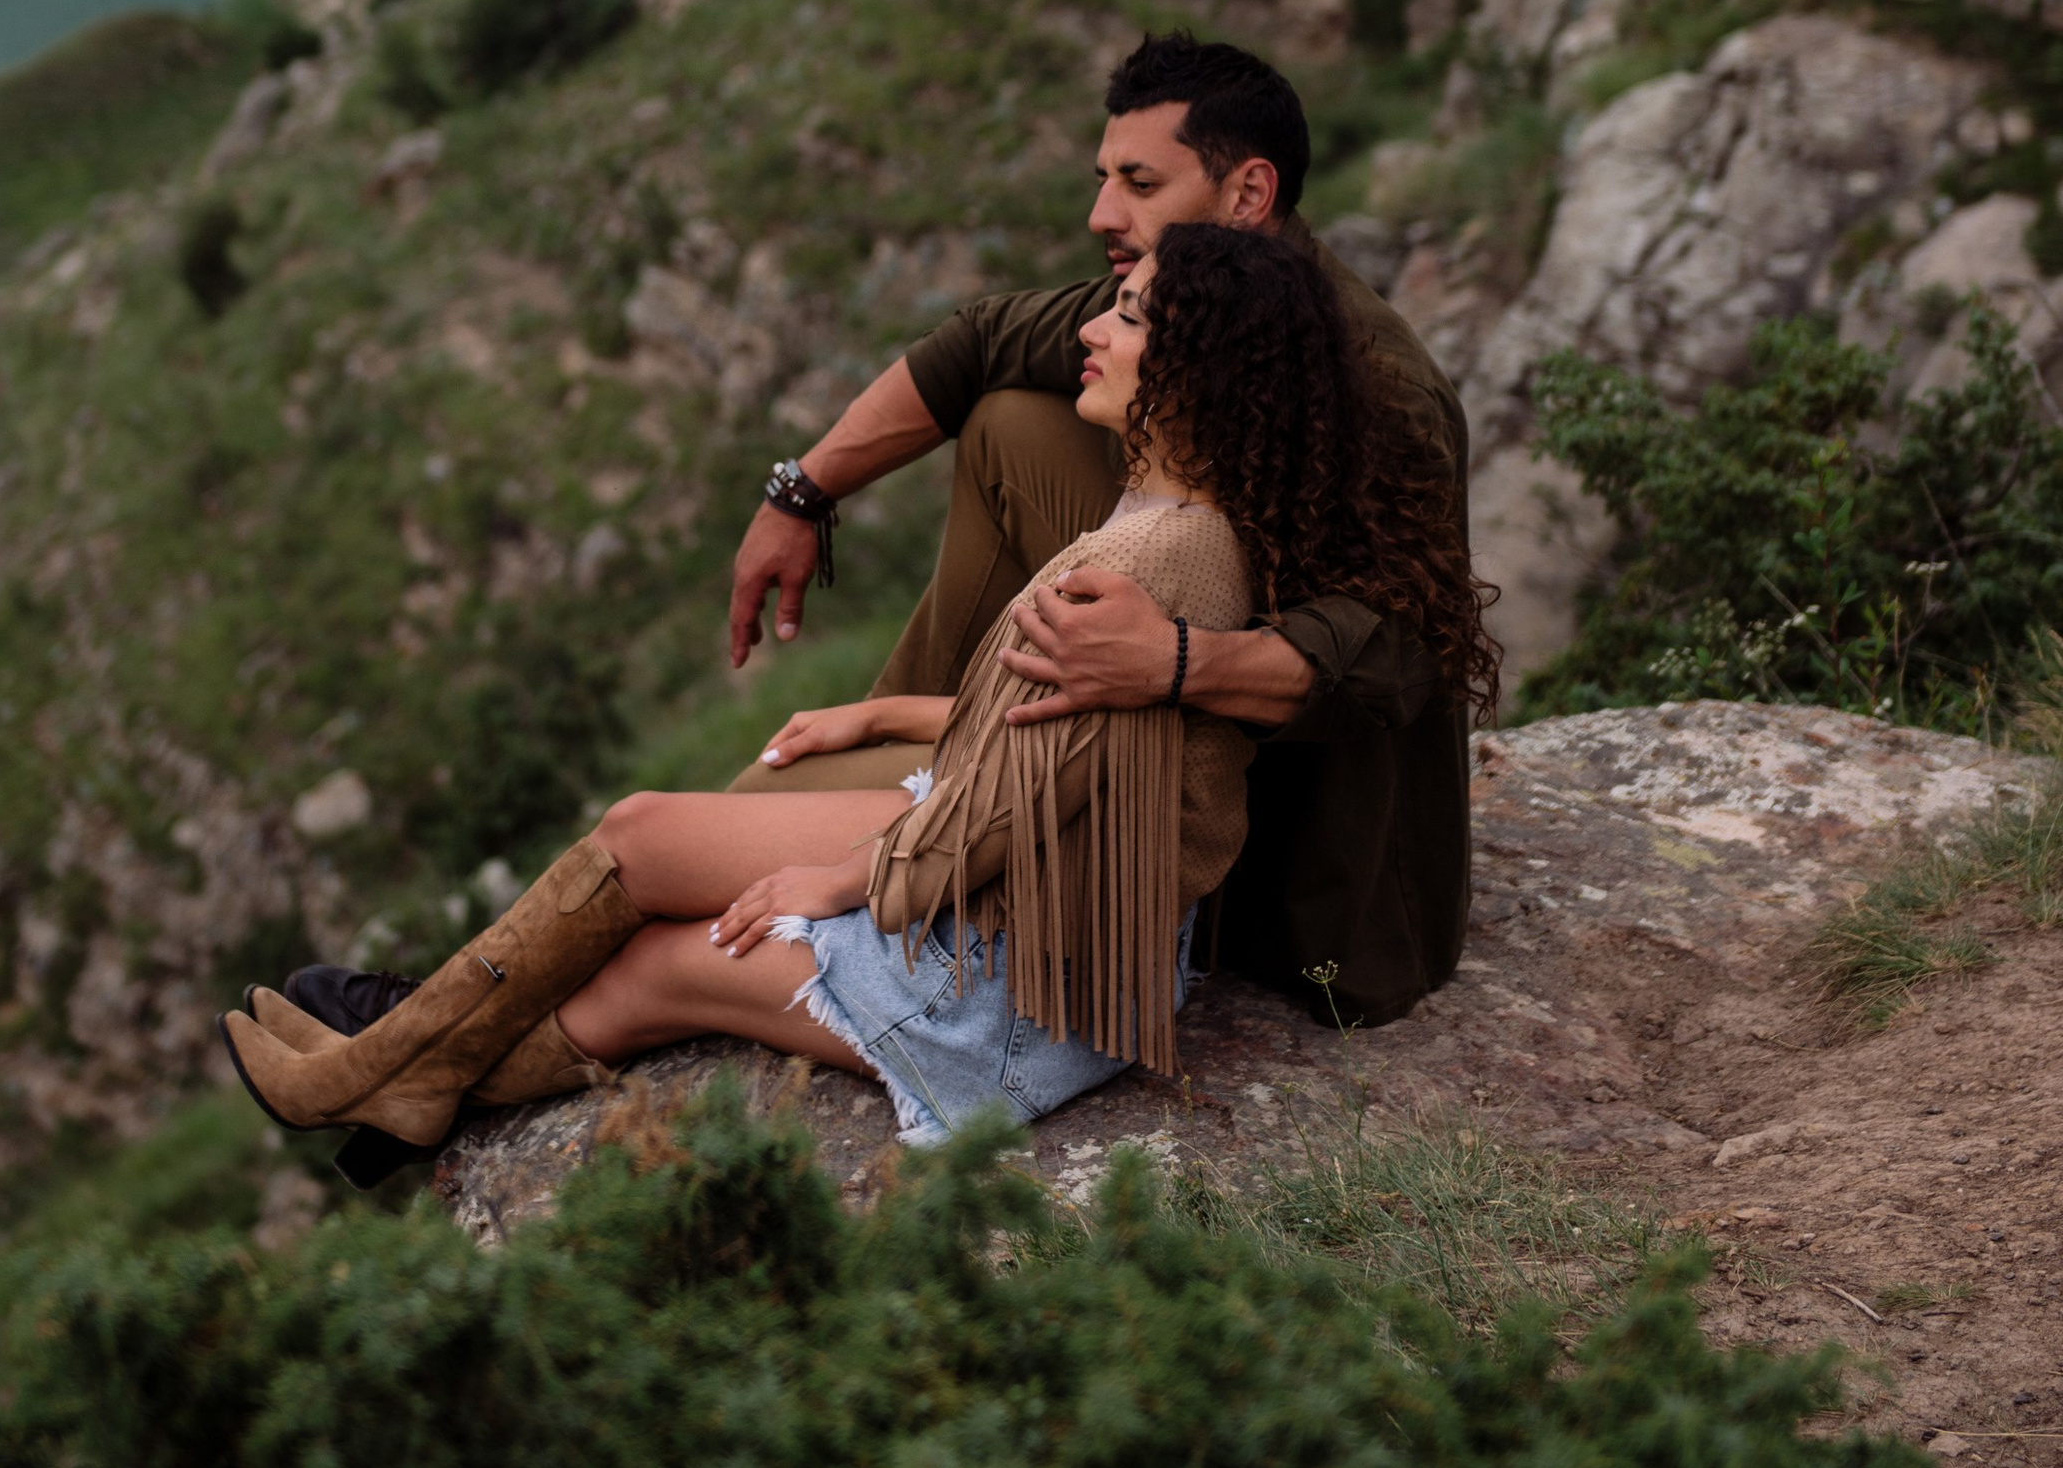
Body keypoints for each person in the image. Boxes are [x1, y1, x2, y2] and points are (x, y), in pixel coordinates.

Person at [213, 227, 1497, 1177]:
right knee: (649, 867)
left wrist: (855, 875)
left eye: (1130, 319)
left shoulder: (1140, 562)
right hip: (1054, 942)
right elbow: (1054, 732)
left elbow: (1024, 789)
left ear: (1199, 375)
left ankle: (381, 1078)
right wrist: (879, 721)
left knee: (655, 924)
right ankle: (398, 1089)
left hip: (1013, 999)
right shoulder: (1188, 529)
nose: (1094, 330)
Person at [724, 31, 1478, 1026]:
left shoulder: (1378, 380)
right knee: (1011, 419)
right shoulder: (1174, 298)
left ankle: (905, 827)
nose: (1101, 214)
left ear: (1248, 194)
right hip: (1140, 738)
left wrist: (1170, 661)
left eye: (1137, 180)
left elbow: (1398, 651)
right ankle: (925, 780)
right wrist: (799, 495)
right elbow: (979, 342)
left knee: (671, 850)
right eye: (1101, 177)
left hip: (1293, 881)